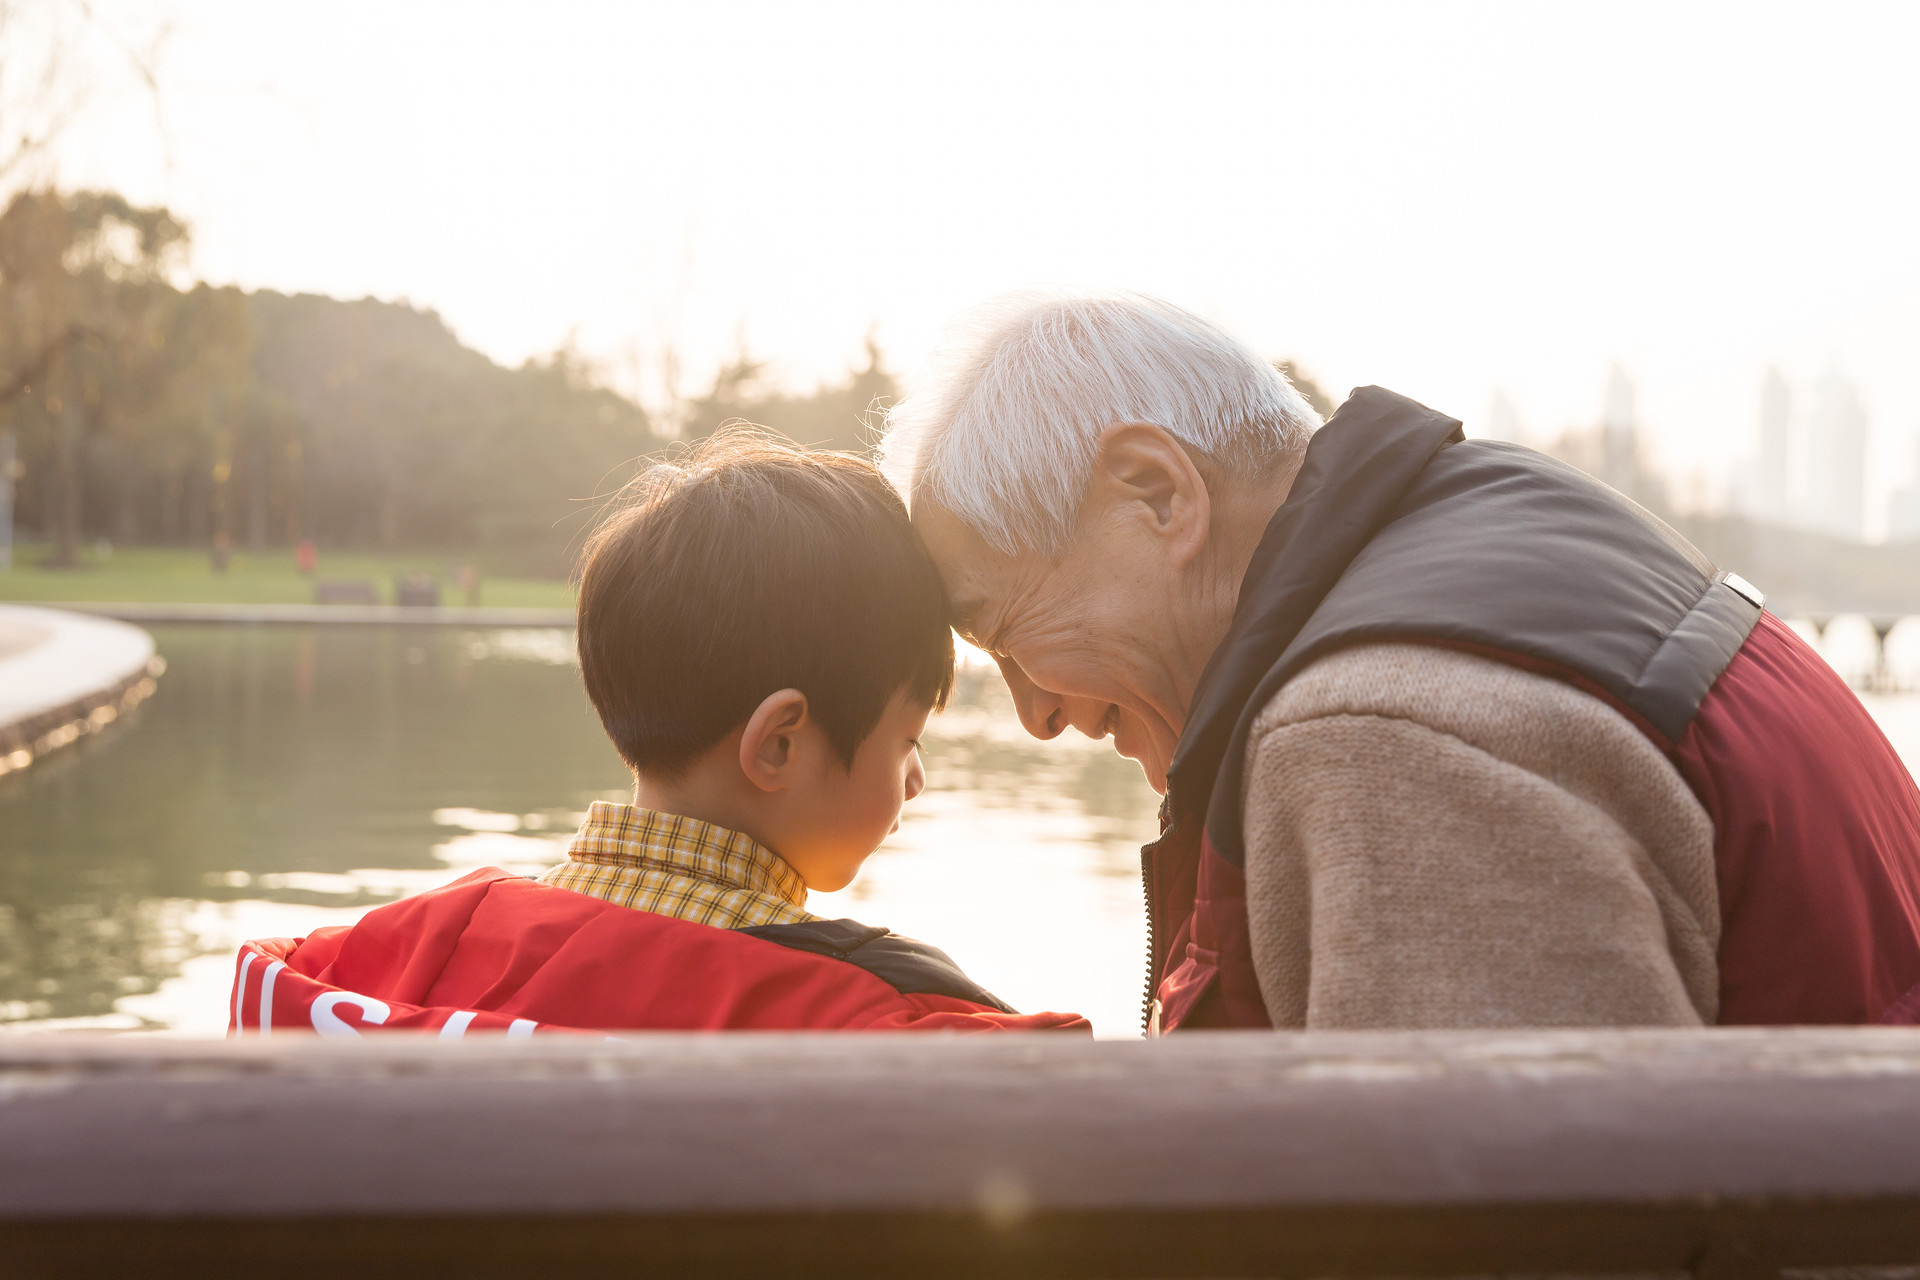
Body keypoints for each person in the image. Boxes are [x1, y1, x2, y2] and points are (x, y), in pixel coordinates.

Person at [880, 289, 1920, 1034]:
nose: (1034, 714)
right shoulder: (1508, 534)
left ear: (1158, 493)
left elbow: (1512, 1237)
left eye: (1005, 630)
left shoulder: (1385, 736)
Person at [229, 430, 1088, 1036]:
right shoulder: (897, 1025)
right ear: (779, 744)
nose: (915, 780)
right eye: (907, 740)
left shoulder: (375, 968)